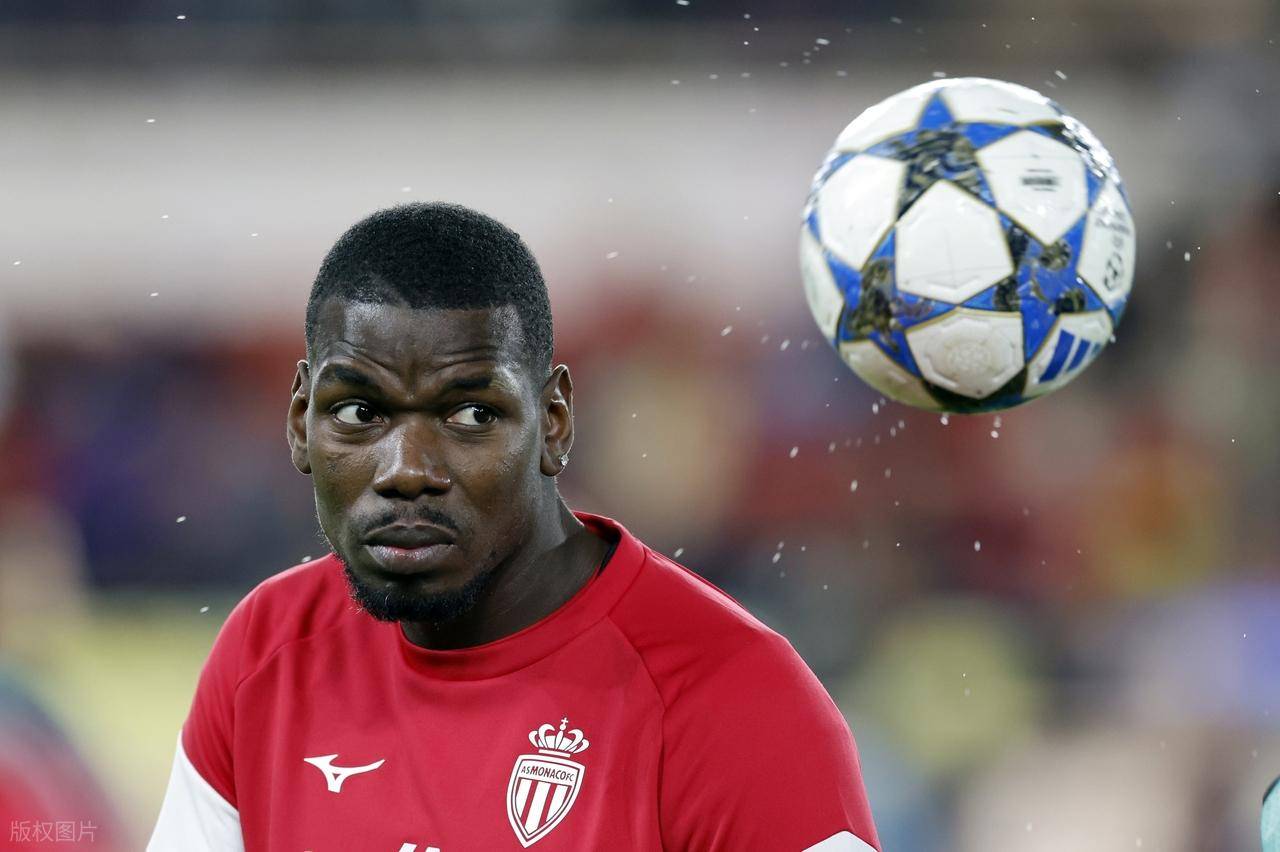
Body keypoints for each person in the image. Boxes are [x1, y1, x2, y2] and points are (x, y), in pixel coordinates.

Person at [147, 202, 880, 851]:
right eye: (359, 412)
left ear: (554, 423)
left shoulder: (736, 702)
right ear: (300, 422)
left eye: (471, 414)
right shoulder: (267, 653)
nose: (407, 469)